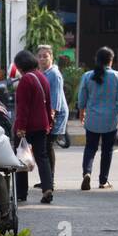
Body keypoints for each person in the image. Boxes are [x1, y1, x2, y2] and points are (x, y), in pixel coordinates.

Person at [76, 46, 118, 190]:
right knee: (107, 150)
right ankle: (103, 181)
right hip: (111, 119)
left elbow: (81, 98)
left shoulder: (87, 76)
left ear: (97, 60)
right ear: (111, 60)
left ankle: (87, 172)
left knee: (90, 148)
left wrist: (82, 113)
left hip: (92, 118)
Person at [13, 49, 55, 204]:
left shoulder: (25, 80)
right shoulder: (42, 77)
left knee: (21, 158)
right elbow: (48, 102)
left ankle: (21, 192)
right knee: (42, 157)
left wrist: (20, 128)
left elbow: (23, 107)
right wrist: (49, 123)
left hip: (27, 125)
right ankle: (48, 188)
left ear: (21, 66)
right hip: (42, 124)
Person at [37, 44, 69, 182]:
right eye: (40, 56)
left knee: (47, 146)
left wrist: (51, 116)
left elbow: (55, 98)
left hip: (56, 114)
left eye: (46, 56)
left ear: (51, 58)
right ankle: (47, 178)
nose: (43, 59)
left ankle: (50, 179)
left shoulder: (54, 74)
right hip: (46, 114)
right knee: (45, 146)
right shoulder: (43, 73)